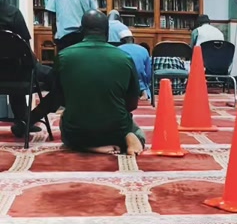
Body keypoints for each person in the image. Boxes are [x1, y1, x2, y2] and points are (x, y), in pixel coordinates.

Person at [19, 10, 144, 154]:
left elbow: (57, 98)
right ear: (107, 31)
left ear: (81, 31)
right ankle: (128, 137)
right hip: (115, 131)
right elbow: (132, 104)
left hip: (77, 133)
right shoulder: (125, 58)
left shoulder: (64, 56)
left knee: (65, 123)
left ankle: (88, 146)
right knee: (135, 130)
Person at [0, 0, 53, 135]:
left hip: (5, 73)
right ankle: (27, 120)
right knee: (57, 77)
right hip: (16, 73)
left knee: (16, 66)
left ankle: (23, 120)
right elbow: (25, 50)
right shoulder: (12, 13)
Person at [118, 27, 152, 99]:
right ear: (133, 39)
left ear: (121, 41)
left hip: (123, 82)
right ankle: (144, 92)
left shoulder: (118, 49)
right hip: (140, 82)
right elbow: (148, 73)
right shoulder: (143, 49)